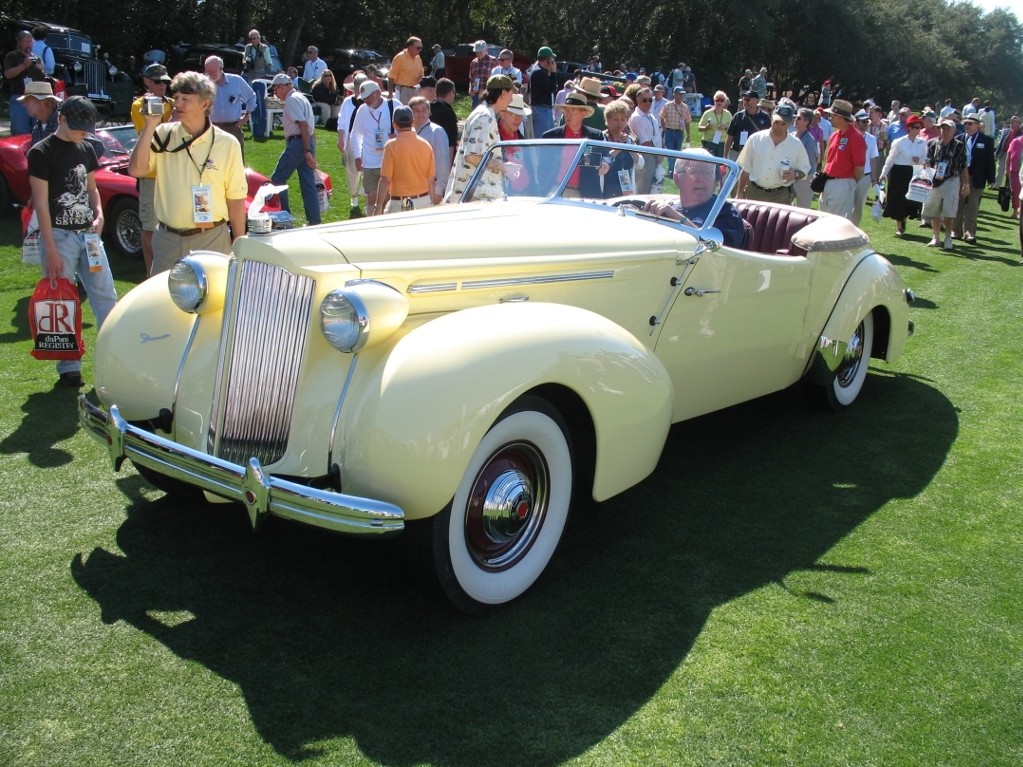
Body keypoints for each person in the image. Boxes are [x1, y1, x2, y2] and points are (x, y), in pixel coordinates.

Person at [28, 96, 119, 388]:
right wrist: (51, 249)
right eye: (77, 126)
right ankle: (69, 366)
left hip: (89, 235)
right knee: (62, 300)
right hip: (59, 235)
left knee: (105, 295)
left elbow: (92, 190)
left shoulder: (87, 148)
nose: (83, 132)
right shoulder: (41, 152)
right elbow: (40, 204)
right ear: (61, 119)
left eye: (86, 128)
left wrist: (100, 214)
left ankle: (116, 356)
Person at [128, 71, 247, 275]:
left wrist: (239, 242)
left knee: (213, 303)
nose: (177, 104)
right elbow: (136, 169)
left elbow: (235, 198)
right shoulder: (163, 134)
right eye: (176, 98)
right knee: (163, 304)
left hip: (212, 239)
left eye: (185, 99)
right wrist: (149, 127)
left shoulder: (227, 144)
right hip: (168, 240)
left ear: (205, 104)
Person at [643, 150, 746, 248]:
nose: (701, 179)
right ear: (677, 179)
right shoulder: (668, 208)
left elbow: (719, 253)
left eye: (707, 173)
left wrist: (678, 218)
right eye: (693, 172)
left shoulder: (725, 212)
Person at [130, 64, 174, 274]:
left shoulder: (173, 104)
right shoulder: (140, 105)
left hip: (172, 173)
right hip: (151, 174)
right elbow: (153, 136)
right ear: (146, 81)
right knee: (150, 227)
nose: (163, 86)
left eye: (165, 81)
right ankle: (150, 273)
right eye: (158, 81)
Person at [445, 73, 515, 202]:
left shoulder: (484, 113)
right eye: (511, 94)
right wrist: (502, 166)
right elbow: (471, 156)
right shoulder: (485, 117)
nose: (512, 99)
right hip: (475, 196)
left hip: (476, 194)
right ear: (504, 93)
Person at [268, 72, 321, 226]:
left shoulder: (291, 100)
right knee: (308, 183)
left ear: (283, 86)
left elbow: (303, 125)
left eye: (276, 89)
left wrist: (305, 151)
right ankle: (314, 220)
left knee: (278, 179)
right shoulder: (302, 97)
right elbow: (311, 128)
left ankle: (285, 219)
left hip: (298, 144)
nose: (276, 94)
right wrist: (310, 151)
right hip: (306, 141)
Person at [736, 103, 810, 204]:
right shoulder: (755, 139)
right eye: (776, 122)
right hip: (754, 193)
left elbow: (805, 168)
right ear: (771, 118)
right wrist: (739, 193)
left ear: (789, 123)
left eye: (783, 124)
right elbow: (745, 169)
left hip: (781, 196)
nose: (779, 127)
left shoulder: (796, 144)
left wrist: (795, 174)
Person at [374, 105, 438, 214]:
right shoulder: (426, 145)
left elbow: (386, 180)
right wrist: (433, 203)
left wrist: (378, 206)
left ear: (394, 124)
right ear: (413, 122)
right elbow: (431, 180)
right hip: (425, 200)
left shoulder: (391, 146)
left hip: (405, 201)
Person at [541, 91, 603, 198]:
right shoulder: (550, 136)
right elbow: (542, 166)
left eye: (573, 110)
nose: (568, 114)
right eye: (566, 110)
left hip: (585, 193)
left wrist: (606, 162)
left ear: (583, 113)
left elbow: (607, 157)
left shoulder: (595, 136)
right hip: (556, 191)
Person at [922, 119, 968, 250]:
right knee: (934, 210)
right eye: (943, 128)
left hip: (951, 180)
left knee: (949, 211)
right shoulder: (932, 144)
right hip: (935, 181)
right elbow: (928, 160)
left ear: (954, 131)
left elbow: (963, 166)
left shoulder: (959, 145)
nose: (945, 131)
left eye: (948, 129)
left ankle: (948, 237)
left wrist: (966, 184)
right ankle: (936, 237)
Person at [351, 79, 396, 214]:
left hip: (390, 160)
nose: (366, 101)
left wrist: (397, 137)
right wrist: (357, 157)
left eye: (368, 97)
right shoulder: (362, 110)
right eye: (363, 98)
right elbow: (355, 135)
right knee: (371, 197)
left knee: (388, 197)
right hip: (369, 161)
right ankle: (370, 224)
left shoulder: (393, 106)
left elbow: (408, 128)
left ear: (377, 93)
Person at [819, 99, 866, 220]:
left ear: (840, 117)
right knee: (822, 218)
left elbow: (859, 168)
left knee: (834, 221)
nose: (829, 118)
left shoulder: (856, 137)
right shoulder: (835, 134)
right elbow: (828, 159)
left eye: (832, 115)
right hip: (828, 181)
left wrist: (849, 183)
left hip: (843, 182)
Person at [879, 115, 926, 236]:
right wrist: (883, 174)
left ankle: (904, 218)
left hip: (913, 172)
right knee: (899, 198)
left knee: (910, 199)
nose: (918, 129)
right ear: (909, 128)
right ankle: (899, 225)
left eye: (919, 127)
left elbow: (925, 158)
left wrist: (920, 159)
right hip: (899, 172)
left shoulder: (922, 142)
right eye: (916, 127)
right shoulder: (899, 142)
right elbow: (890, 159)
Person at [953, 114, 996, 244]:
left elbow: (990, 161)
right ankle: (956, 231)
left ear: (978, 125)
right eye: (965, 123)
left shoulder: (986, 140)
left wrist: (991, 179)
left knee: (972, 206)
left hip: (977, 178)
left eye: (970, 124)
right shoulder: (959, 139)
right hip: (960, 177)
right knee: (958, 205)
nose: (967, 126)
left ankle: (970, 232)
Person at [203, 56, 256, 157]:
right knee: (213, 164)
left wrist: (246, 116)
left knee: (237, 162)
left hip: (233, 128)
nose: (209, 75)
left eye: (212, 72)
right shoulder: (203, 85)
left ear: (221, 69)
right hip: (212, 129)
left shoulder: (236, 81)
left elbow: (251, 97)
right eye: (207, 72)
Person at [337, 72, 368, 215]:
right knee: (351, 168)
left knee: (370, 168)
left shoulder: (370, 102)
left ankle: (368, 196)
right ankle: (354, 195)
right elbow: (342, 121)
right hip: (351, 138)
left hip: (368, 139)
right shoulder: (348, 102)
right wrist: (341, 139)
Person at [409, 95, 450, 199]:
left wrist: (438, 191)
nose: (421, 113)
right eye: (416, 111)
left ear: (429, 111)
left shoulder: (436, 132)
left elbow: (443, 163)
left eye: (424, 110)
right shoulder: (410, 132)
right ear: (411, 113)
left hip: (429, 192)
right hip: (410, 190)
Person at [5, 30, 46, 136]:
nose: (28, 44)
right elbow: (8, 74)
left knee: (37, 132)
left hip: (36, 98)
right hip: (19, 97)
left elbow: (43, 78)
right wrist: (24, 65)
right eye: (26, 42)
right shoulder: (12, 56)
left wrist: (41, 70)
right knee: (20, 131)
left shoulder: (37, 59)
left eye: (30, 42)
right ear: (19, 42)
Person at [596, 98, 638, 198]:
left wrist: (632, 149)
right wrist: (619, 146)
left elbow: (640, 164)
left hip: (625, 188)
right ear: (607, 120)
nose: (619, 123)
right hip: (606, 186)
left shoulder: (629, 139)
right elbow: (600, 164)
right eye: (615, 119)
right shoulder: (601, 138)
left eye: (623, 119)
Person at [629, 87, 662, 193]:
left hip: (655, 156)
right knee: (643, 189)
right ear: (638, 101)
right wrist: (659, 155)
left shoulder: (651, 116)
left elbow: (658, 136)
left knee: (654, 188)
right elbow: (645, 143)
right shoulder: (637, 118)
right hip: (645, 157)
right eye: (644, 100)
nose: (648, 102)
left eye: (650, 100)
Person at [851, 109, 880, 227]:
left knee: (858, 206)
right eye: (863, 122)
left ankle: (854, 229)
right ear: (856, 123)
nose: (865, 124)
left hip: (865, 176)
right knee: (845, 203)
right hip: (849, 175)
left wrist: (874, 179)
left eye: (867, 122)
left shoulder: (871, 139)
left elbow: (873, 160)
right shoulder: (850, 137)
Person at [724, 90, 770, 161]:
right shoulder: (737, 116)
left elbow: (769, 138)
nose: (745, 102)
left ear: (757, 101)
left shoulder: (765, 117)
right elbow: (730, 137)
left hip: (756, 154)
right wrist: (725, 157)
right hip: (737, 153)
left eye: (748, 99)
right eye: (744, 99)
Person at [792, 108, 820, 209]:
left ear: (806, 122)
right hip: (791, 176)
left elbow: (806, 163)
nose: (795, 119)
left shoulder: (810, 140)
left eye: (799, 118)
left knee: (803, 208)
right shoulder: (791, 136)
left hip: (805, 178)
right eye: (795, 117)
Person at [528, 47, 559, 137]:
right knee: (543, 139)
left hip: (543, 109)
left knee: (549, 137)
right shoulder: (539, 73)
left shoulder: (539, 72)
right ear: (547, 60)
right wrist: (553, 73)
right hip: (541, 110)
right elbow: (551, 88)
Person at [21, 81, 61, 146]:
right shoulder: (36, 129)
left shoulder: (62, 124)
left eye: (27, 101)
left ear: (44, 102)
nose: (24, 105)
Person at [431, 78, 459, 168]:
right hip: (441, 161)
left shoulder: (427, 109)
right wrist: (448, 168)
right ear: (451, 93)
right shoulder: (448, 113)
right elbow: (450, 144)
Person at [388, 37, 424, 104]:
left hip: (415, 90)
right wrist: (390, 94)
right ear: (410, 46)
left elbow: (421, 75)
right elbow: (391, 77)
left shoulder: (418, 59)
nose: (420, 50)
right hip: (402, 90)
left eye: (421, 48)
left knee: (414, 112)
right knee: (403, 112)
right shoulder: (399, 57)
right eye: (418, 48)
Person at [660, 86, 691, 161]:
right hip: (669, 132)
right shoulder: (667, 105)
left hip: (679, 133)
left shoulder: (685, 107)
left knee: (677, 153)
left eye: (682, 94)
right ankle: (671, 170)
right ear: (674, 94)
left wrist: (688, 134)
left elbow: (687, 122)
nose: (681, 96)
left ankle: (674, 170)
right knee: (670, 153)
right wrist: (665, 129)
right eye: (679, 94)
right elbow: (661, 117)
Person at [697, 91, 731, 158]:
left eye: (722, 100)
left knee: (720, 164)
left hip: (722, 143)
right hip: (709, 141)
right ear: (714, 101)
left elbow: (732, 129)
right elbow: (699, 128)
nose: (719, 102)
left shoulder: (728, 114)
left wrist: (726, 126)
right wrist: (706, 127)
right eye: (717, 100)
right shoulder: (707, 113)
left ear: (724, 103)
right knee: (709, 163)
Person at [468, 40, 497, 109]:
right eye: (477, 52)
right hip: (475, 96)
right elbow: (471, 78)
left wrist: (485, 90)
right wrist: (470, 90)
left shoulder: (493, 61)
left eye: (481, 51)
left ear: (486, 50)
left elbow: (496, 80)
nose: (478, 54)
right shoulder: (473, 62)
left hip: (488, 96)